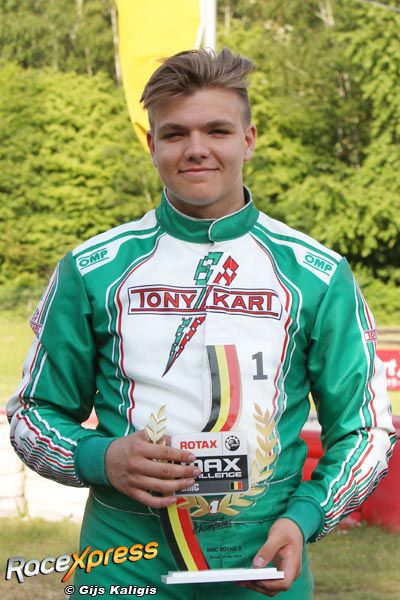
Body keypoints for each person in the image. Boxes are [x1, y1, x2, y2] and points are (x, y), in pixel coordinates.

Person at [7, 48, 395, 599]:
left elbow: (366, 431)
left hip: (262, 566)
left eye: (217, 130)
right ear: (152, 145)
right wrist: (101, 458)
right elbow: (31, 414)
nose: (196, 148)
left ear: (248, 140)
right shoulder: (92, 269)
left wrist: (306, 516)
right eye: (174, 133)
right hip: (122, 568)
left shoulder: (318, 274)